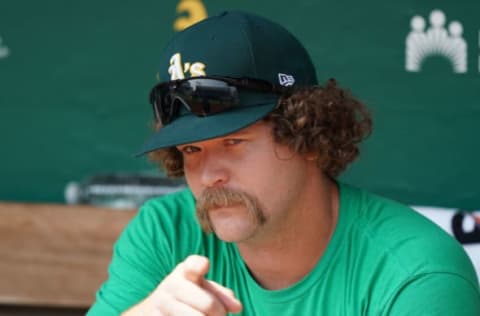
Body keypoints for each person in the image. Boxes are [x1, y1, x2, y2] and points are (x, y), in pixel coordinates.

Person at [88, 11, 480, 315]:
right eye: (191, 149)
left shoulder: (414, 274)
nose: (209, 175)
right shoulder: (165, 232)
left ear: (308, 136)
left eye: (234, 141)